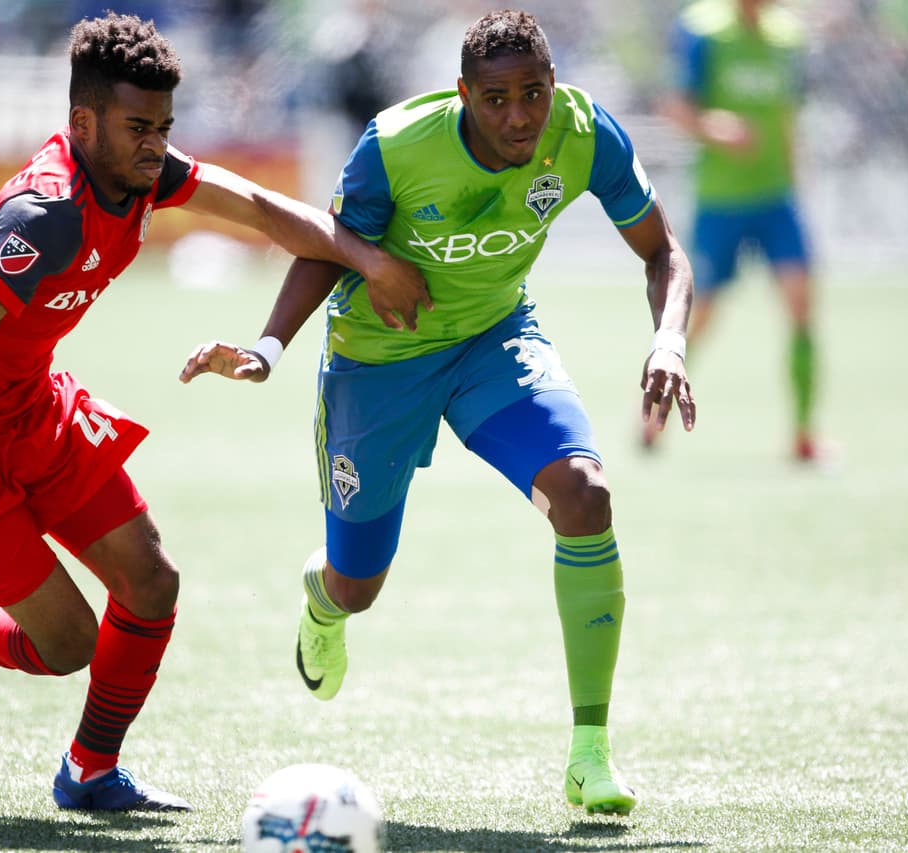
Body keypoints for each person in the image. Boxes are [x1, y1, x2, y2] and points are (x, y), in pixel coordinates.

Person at [0, 12, 427, 813]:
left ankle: (89, 771)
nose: (157, 143)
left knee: (151, 580)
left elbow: (254, 205)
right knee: (69, 640)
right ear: (83, 123)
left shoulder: (145, 173)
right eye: (139, 126)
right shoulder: (45, 213)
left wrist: (366, 258)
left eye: (165, 125)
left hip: (25, 406)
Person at [180, 9, 695, 817]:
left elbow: (661, 250)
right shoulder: (395, 145)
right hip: (379, 361)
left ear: (553, 85)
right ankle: (322, 596)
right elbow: (327, 244)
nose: (519, 115)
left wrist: (668, 339)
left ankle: (590, 751)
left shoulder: (585, 132)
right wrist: (269, 348)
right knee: (359, 586)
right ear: (463, 95)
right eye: (496, 99)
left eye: (533, 93)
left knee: (586, 495)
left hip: (495, 339)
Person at [652, 0, 822, 461]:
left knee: (802, 305)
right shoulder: (701, 29)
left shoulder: (789, 36)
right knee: (701, 313)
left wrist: (797, 180)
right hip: (721, 200)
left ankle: (804, 436)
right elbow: (673, 105)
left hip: (777, 198)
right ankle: (653, 415)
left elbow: (789, 115)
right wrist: (714, 127)